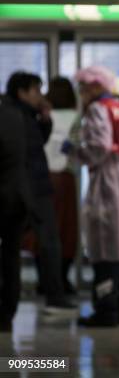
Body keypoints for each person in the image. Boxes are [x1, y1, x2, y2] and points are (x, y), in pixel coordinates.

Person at [65, 65, 119, 327]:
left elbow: (99, 147)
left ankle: (106, 310)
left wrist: (75, 151)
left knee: (104, 243)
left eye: (84, 88)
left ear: (96, 86)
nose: (82, 94)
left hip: (109, 180)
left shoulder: (99, 109)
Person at [4, 72, 75, 314]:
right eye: (35, 90)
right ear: (22, 92)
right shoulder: (11, 115)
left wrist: (45, 117)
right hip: (24, 190)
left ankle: (48, 295)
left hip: (31, 188)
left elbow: (39, 143)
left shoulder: (28, 114)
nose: (40, 95)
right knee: (41, 243)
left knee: (45, 243)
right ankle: (48, 296)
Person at [44, 77, 80, 294]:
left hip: (43, 177)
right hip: (64, 178)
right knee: (66, 231)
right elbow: (74, 147)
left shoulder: (43, 115)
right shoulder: (75, 117)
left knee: (45, 230)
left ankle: (46, 280)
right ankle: (62, 280)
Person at [0, 98, 29, 332]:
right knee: (11, 258)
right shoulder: (15, 115)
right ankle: (7, 312)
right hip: (16, 197)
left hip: (6, 195)